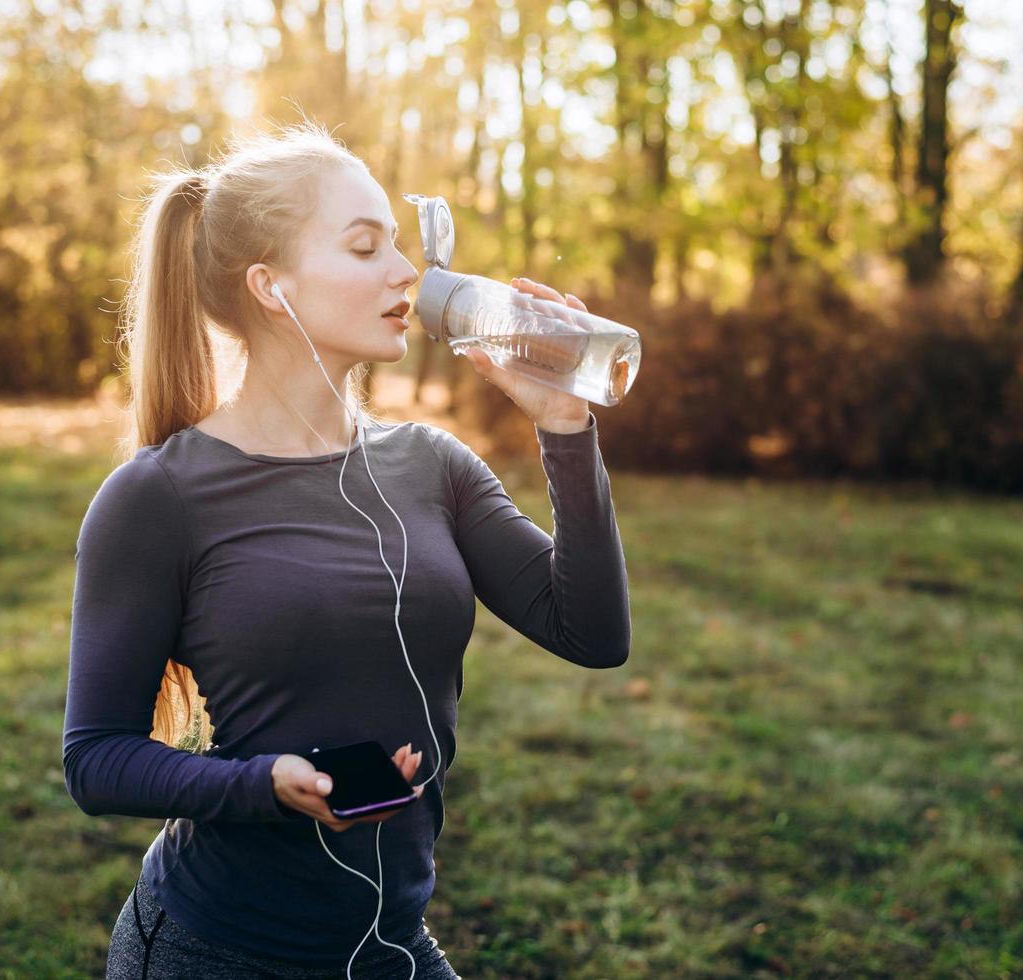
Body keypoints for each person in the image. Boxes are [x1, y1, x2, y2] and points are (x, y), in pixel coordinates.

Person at [62, 120, 632, 980]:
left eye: (399, 245)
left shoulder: (432, 465)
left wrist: (564, 426)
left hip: (389, 947)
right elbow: (96, 757)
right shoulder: (157, 499)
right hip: (216, 951)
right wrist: (264, 783)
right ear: (270, 286)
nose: (408, 273)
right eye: (365, 247)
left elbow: (593, 634)